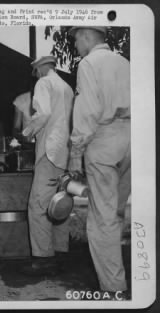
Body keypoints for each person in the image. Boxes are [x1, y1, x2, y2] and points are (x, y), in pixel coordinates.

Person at [68, 26, 130, 296]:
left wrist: (75, 155)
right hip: (133, 137)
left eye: (76, 40)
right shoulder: (124, 62)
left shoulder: (89, 63)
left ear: (85, 36)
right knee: (116, 213)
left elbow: (88, 111)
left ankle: (114, 289)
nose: (76, 46)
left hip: (104, 140)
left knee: (102, 219)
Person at [20, 56, 74, 275]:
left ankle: (43, 258)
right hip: (64, 152)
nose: (36, 74)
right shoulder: (67, 87)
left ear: (41, 68)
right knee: (59, 202)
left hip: (49, 150)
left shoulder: (43, 83)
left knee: (38, 205)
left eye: (36, 70)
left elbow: (43, 114)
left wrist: (26, 133)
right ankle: (61, 252)